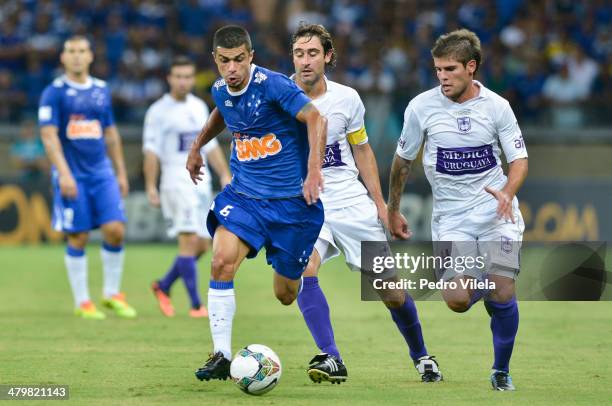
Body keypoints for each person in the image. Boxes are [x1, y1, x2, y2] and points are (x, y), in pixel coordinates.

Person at [290, 23, 442, 384]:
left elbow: (362, 150)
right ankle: (331, 358)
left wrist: (382, 205)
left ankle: (421, 355)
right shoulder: (279, 95)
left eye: (313, 53)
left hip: (349, 201)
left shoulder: (347, 99)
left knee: (390, 290)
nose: (305, 61)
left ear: (327, 56)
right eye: (299, 53)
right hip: (305, 204)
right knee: (302, 272)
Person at [387, 29, 528, 391]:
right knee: (457, 300)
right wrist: (392, 209)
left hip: (496, 213)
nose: (442, 77)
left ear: (471, 67)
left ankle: (501, 371)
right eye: (437, 70)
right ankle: (483, 280)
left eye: (450, 69)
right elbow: (402, 162)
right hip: (450, 218)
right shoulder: (421, 107)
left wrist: (507, 194)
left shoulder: (497, 107)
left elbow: (519, 161)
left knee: (503, 291)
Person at [185, 25, 326, 381]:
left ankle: (294, 260)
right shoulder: (220, 88)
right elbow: (222, 110)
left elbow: (315, 117)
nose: (231, 69)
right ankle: (220, 355)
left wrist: (313, 171)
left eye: (238, 60)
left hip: (292, 205)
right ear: (214, 60)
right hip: (245, 197)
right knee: (220, 262)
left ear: (251, 57)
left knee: (285, 293)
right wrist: (197, 146)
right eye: (223, 61)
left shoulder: (273, 85)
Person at [38, 35, 136, 320]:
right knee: (79, 235)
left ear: (91, 56)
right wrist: (64, 173)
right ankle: (82, 302)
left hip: (102, 173)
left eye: (82, 51)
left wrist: (120, 173)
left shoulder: (101, 90)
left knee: (116, 229)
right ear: (63, 57)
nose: (77, 56)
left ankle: (111, 294)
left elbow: (110, 133)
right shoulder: (54, 92)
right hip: (73, 175)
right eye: (71, 51)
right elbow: (48, 136)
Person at [144, 56, 232, 318]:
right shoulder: (158, 111)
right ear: (169, 79)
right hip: (174, 180)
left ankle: (164, 285)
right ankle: (196, 305)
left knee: (203, 245)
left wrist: (224, 174)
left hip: (201, 182)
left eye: (187, 76)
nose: (183, 81)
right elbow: (151, 151)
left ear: (193, 79)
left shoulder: (198, 107)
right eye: (178, 76)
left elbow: (211, 146)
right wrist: (151, 185)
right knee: (189, 241)